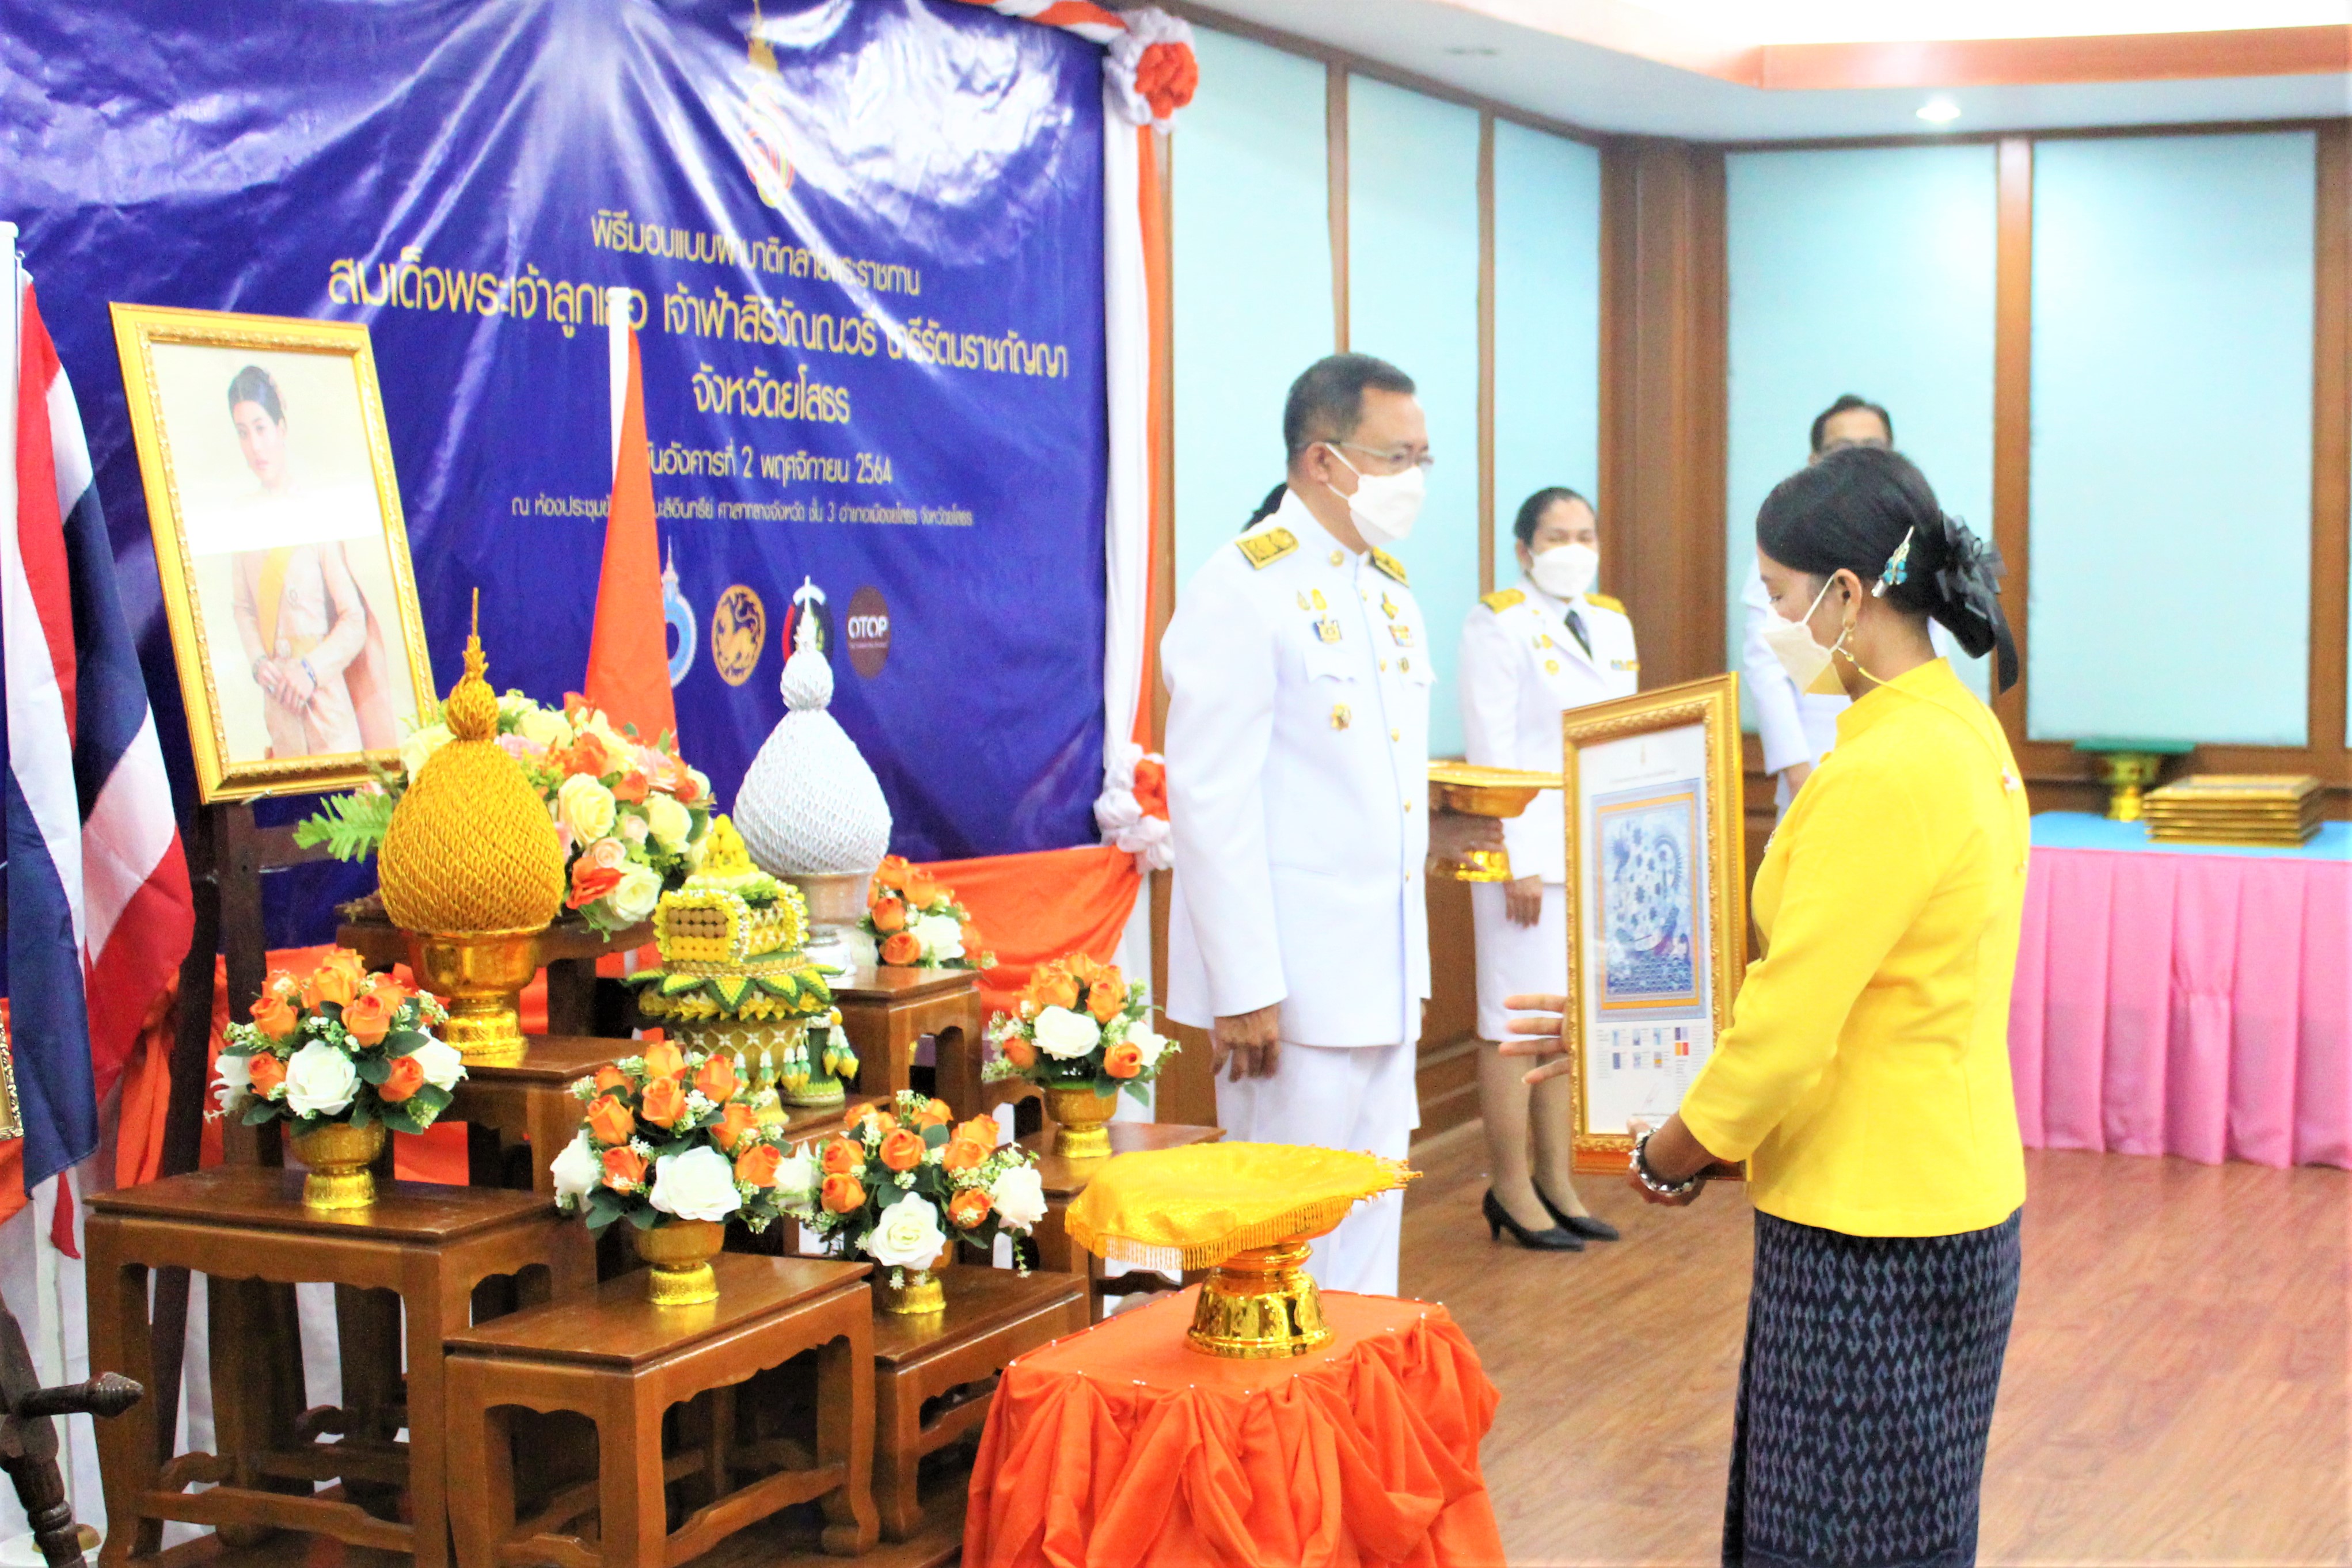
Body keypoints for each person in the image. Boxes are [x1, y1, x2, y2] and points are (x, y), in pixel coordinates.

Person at [1508, 445, 2027, 1567]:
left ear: (1847, 595)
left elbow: (1792, 1025)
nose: (1773, 627)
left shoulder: (1881, 772)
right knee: (1901, 1533)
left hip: (1869, 1232)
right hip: (1942, 1197)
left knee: (1835, 1544)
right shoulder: (1951, 731)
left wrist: (1668, 1147)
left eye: (1780, 599)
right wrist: (1619, 1039)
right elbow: (1843, 984)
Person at [1162, 352, 1498, 1296]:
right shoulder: (1245, 583)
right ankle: (1282, 1444)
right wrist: (1245, 984)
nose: (1415, 482)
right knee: (1287, 1247)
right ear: (1321, 459)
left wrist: (1439, 835)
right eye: (1396, 457)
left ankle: (1349, 1438)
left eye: (1424, 458)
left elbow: (1366, 785)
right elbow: (1211, 794)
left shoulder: (1387, 590)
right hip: (1292, 993)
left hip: (1384, 975)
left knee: (1368, 1239)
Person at [1454, 485, 1633, 1250]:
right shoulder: (1497, 622)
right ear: (1525, 552)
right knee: (1512, 1025)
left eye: (1585, 533)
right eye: (1557, 536)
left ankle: (1558, 1182)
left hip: (1593, 850)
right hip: (1523, 856)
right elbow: (1490, 745)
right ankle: (1510, 1185)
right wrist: (1514, 857)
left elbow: (1624, 735)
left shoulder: (1611, 621)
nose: (1574, 548)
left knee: (1565, 1024)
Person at [222, 364, 400, 759]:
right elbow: (242, 607)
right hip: (279, 711)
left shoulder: (317, 512)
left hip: (327, 711)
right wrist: (257, 663)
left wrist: (310, 671)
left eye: (261, 427)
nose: (255, 445)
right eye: (243, 432)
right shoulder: (241, 516)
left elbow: (353, 619)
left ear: (281, 428)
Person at [1740, 394, 1892, 812]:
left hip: (1901, 752)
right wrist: (1796, 770)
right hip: (1817, 758)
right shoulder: (1784, 540)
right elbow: (1766, 666)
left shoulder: (1911, 539)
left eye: (1873, 451)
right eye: (1843, 452)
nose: (1859, 465)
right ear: (1814, 462)